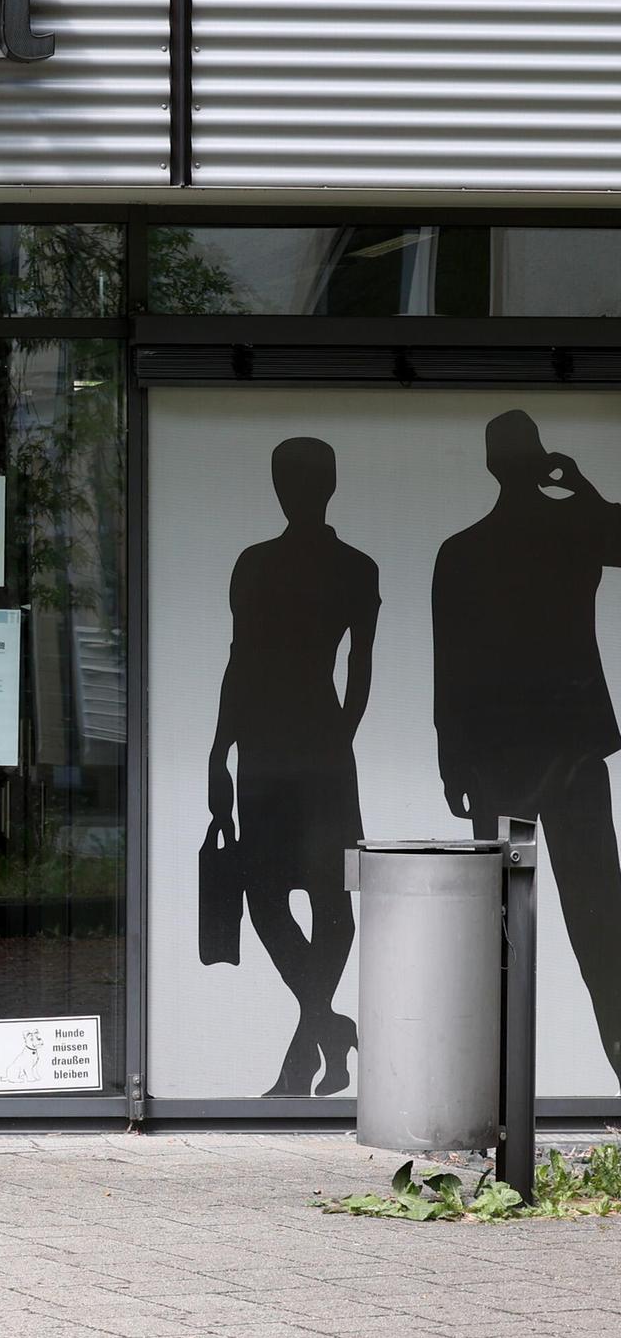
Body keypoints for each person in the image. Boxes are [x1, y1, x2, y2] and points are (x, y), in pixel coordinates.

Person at [432, 409, 621, 1091]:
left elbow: (446, 664)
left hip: (497, 760)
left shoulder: (463, 550)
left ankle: (493, 1094)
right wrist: (580, 485)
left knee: (503, 929)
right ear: (540, 458)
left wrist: (451, 760)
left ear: (489, 465)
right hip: (569, 754)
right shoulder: (571, 530)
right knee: (601, 927)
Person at [209, 437, 379, 1097]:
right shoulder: (261, 565)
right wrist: (218, 752)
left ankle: (302, 1054)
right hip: (277, 748)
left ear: (325, 485)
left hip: (299, 745)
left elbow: (358, 669)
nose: (295, 489)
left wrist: (337, 738)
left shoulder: (346, 568)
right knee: (267, 896)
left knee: (330, 902)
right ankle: (324, 1031)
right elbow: (239, 661)